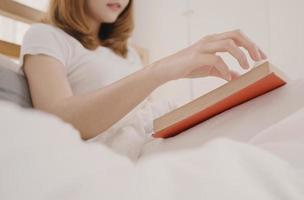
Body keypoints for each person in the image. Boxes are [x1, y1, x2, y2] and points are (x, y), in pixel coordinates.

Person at [21, 0, 267, 140]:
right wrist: (160, 71)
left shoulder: (128, 52)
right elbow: (57, 122)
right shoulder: (45, 35)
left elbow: (146, 118)